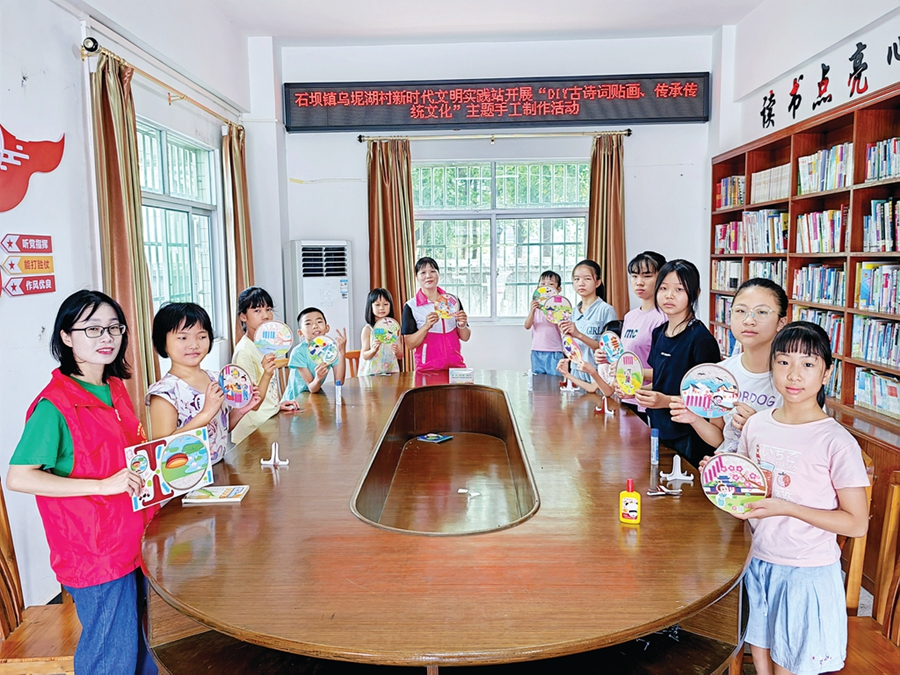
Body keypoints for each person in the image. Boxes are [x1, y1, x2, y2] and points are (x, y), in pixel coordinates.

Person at [701, 322, 869, 675]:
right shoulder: (757, 425)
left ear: (827, 372)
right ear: (772, 366)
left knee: (790, 667)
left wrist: (786, 508)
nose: (794, 374)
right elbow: (746, 494)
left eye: (808, 364)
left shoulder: (836, 441)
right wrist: (721, 477)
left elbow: (856, 524)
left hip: (806, 571)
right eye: (783, 362)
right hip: (756, 560)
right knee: (761, 656)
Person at [6, 290, 157, 675]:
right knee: (111, 659)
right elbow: (19, 477)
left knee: (146, 650)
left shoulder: (115, 387)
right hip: (95, 552)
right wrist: (103, 485)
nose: (106, 337)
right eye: (92, 329)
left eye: (114, 327)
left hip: (134, 538)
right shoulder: (54, 405)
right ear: (66, 336)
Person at [670, 278, 788, 453]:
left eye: (762, 312)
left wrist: (758, 427)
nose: (749, 320)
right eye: (740, 311)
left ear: (781, 323)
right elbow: (722, 439)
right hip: (729, 468)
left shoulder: (792, 378)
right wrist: (694, 419)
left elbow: (801, 445)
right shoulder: (721, 373)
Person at [147, 302, 261, 462]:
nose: (194, 345)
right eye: (183, 337)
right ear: (163, 342)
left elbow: (220, 429)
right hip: (188, 474)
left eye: (201, 336)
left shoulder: (217, 379)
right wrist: (206, 414)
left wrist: (240, 411)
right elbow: (162, 447)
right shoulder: (164, 392)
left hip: (220, 467)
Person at [633, 259, 721, 466]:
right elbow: (662, 380)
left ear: (695, 293)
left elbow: (710, 400)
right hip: (659, 428)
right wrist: (639, 390)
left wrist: (664, 401)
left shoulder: (701, 339)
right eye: (663, 288)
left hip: (689, 436)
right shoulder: (658, 332)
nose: (669, 295)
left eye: (679, 289)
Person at [231, 287, 298, 445]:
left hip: (267, 422)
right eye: (257, 310)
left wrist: (275, 406)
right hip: (252, 432)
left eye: (268, 309)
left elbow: (265, 390)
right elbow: (251, 404)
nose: (266, 315)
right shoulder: (244, 352)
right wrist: (267, 374)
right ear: (243, 316)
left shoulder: (265, 345)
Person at [615, 251, 668, 421]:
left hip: (649, 403)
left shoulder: (664, 318)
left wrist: (630, 372)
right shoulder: (630, 316)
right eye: (634, 276)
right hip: (626, 397)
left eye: (647, 276)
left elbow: (667, 371)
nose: (639, 282)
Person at [401, 257, 470, 372]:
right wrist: (426, 326)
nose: (428, 276)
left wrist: (462, 325)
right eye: (423, 272)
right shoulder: (411, 306)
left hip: (456, 367)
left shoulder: (452, 301)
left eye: (432, 271)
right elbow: (410, 344)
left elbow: (465, 337)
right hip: (427, 369)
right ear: (416, 277)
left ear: (438, 274)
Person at [559, 259, 617, 383]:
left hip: (598, 373)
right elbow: (569, 347)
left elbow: (611, 349)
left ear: (597, 282)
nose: (581, 283)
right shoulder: (572, 312)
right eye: (576, 279)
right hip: (576, 371)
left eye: (587, 279)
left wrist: (578, 335)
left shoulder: (606, 310)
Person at [282, 307, 348, 398]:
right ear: (300, 333)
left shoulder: (331, 350)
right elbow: (312, 388)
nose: (315, 326)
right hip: (294, 401)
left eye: (319, 322)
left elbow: (339, 381)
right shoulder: (298, 352)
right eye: (308, 323)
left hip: (315, 398)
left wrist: (342, 352)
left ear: (327, 328)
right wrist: (318, 378)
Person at [557, 319, 621, 396]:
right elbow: (592, 387)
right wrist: (567, 374)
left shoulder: (620, 365)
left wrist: (592, 372)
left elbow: (608, 392)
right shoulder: (604, 365)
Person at [523, 270, 564, 375]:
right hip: (537, 350)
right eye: (543, 284)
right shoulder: (536, 309)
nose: (546, 287)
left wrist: (555, 313)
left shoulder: (560, 308)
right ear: (538, 288)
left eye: (551, 284)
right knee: (538, 381)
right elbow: (527, 326)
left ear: (558, 289)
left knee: (556, 380)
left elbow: (563, 328)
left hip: (555, 350)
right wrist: (532, 311)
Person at [359, 288, 403, 376]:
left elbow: (400, 355)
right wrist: (373, 350)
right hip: (371, 374)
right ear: (370, 307)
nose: (382, 308)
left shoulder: (394, 328)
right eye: (377, 305)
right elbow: (365, 355)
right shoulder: (368, 329)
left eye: (386, 304)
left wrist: (397, 351)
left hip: (391, 373)